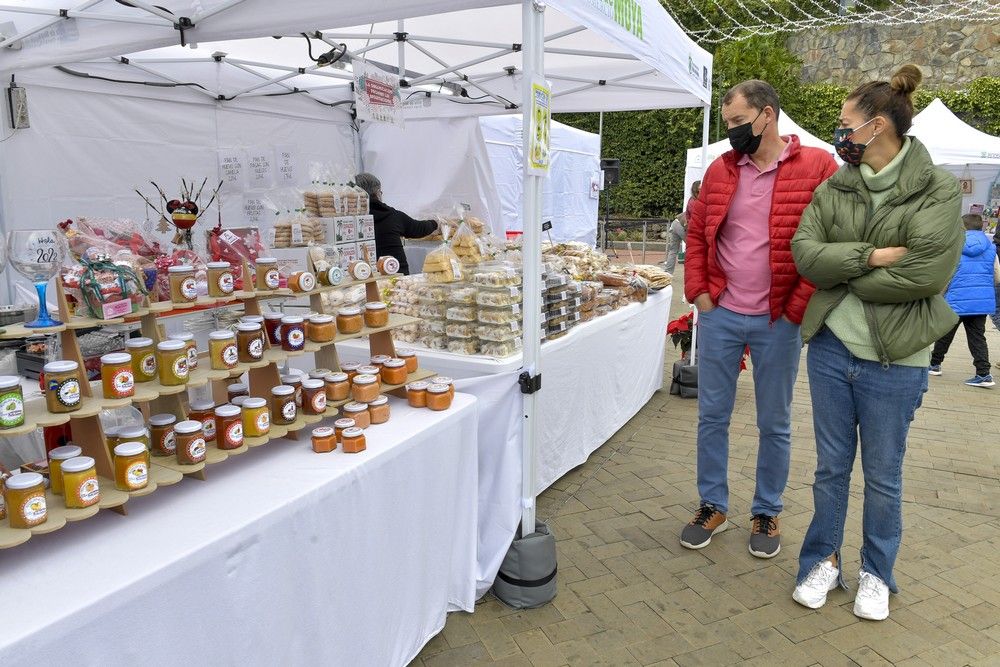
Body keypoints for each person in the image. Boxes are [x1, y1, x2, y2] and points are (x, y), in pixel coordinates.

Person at [790, 65, 962, 621]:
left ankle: (877, 573)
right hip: (832, 349)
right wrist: (869, 255)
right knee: (829, 470)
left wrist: (843, 271)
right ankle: (822, 560)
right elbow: (805, 255)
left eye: (845, 124)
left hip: (897, 359)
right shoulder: (836, 184)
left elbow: (926, 276)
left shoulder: (934, 186)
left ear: (876, 126)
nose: (839, 133)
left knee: (883, 476)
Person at [681, 80, 838, 559]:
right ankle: (713, 504)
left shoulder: (817, 166)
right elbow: (697, 233)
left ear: (767, 115)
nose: (731, 132)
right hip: (722, 314)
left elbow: (830, 239)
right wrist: (699, 294)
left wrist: (796, 308)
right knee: (712, 416)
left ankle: (766, 510)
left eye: (736, 121)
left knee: (775, 422)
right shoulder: (721, 169)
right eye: (727, 122)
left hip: (779, 320)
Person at [929, 213, 996, 386]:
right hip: (981, 302)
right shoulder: (990, 247)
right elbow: (997, 275)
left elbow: (946, 273)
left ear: (962, 228)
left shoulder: (955, 246)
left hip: (957, 299)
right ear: (981, 227)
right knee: (978, 338)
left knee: (945, 333)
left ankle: (934, 364)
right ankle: (983, 374)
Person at [354, 173, 438, 275]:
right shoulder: (392, 215)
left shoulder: (348, 219)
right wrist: (435, 223)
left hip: (362, 277)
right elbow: (419, 229)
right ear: (377, 193)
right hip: (397, 274)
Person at [663, 210, 687, 275]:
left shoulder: (695, 204)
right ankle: (692, 272)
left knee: (673, 250)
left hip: (675, 223)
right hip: (682, 226)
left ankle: (668, 273)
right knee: (694, 248)